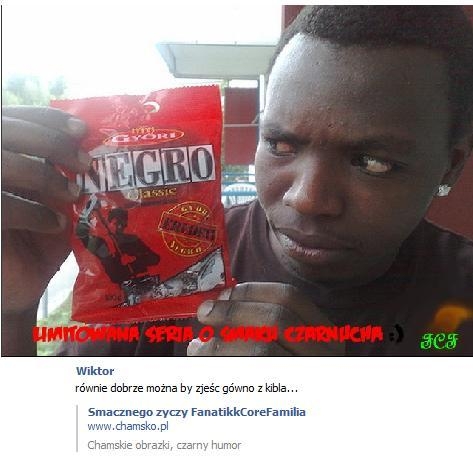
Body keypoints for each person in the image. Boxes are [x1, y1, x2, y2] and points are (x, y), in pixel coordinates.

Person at [2, 6, 473, 356]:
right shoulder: (164, 265)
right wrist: (11, 313)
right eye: (281, 144)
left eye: (372, 163)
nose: (307, 199)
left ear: (450, 167)